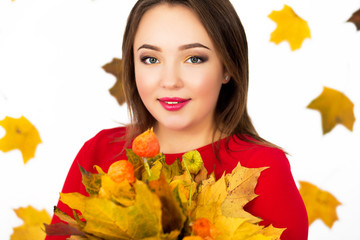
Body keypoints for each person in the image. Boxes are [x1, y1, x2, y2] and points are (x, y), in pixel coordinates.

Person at [46, 0, 309, 239]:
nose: (170, 81)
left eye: (194, 58)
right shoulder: (101, 151)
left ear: (227, 67)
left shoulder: (263, 168)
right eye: (151, 59)